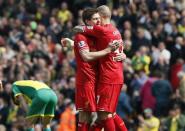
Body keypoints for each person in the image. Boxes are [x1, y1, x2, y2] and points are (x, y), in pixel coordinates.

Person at [62, 8, 123, 131]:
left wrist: (123, 54)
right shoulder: (81, 37)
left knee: (106, 113)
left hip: (100, 79)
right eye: (95, 19)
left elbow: (111, 45)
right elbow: (86, 55)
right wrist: (107, 51)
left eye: (98, 18)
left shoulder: (97, 34)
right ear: (87, 21)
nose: (98, 21)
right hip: (86, 81)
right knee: (86, 116)